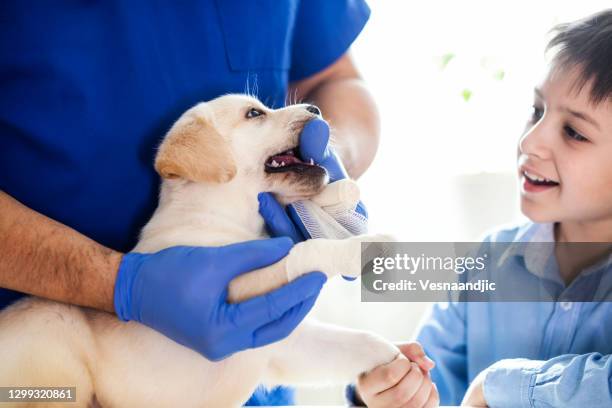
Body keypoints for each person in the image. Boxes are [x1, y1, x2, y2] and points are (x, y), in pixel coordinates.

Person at [0, 1, 379, 405]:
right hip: (37, 361)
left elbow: (337, 80)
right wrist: (117, 285)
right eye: (255, 115)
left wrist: (333, 166)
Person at [354, 9, 612, 407]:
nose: (530, 142)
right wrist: (385, 391)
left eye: (574, 132)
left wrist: (501, 384)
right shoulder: (487, 262)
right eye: (537, 110)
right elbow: (430, 385)